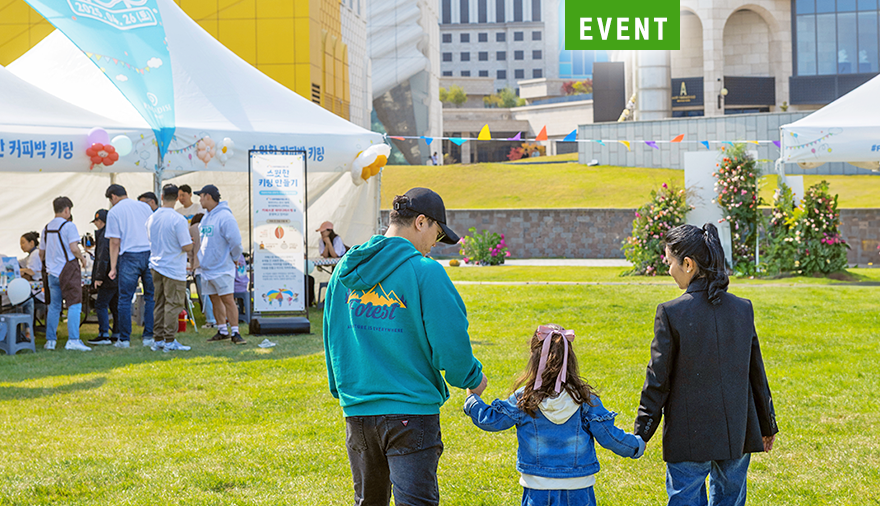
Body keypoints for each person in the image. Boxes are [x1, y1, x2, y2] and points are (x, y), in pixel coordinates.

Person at [323, 187, 487, 506]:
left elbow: (332, 336)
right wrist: (471, 377)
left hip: (358, 409)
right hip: (411, 412)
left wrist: (341, 390)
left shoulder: (344, 269)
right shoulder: (426, 272)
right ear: (421, 222)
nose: (434, 244)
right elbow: (450, 342)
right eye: (437, 234)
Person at [634, 223, 778, 506]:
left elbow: (658, 380)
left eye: (669, 262)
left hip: (688, 436)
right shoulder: (742, 308)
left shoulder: (671, 313)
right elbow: (757, 375)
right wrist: (767, 424)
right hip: (736, 432)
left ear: (688, 264)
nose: (669, 269)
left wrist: (642, 431)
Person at [464, 324, 645, 505]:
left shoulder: (524, 398)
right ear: (570, 358)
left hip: (537, 489)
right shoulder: (584, 399)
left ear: (534, 357)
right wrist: (636, 445)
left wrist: (473, 398)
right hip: (578, 488)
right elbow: (610, 436)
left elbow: (491, 420)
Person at [105, 184, 155, 349]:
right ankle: (149, 336)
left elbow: (114, 242)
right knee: (150, 297)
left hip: (129, 256)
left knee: (125, 299)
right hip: (148, 253)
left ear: (113, 196)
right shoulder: (144, 207)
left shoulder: (114, 212)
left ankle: (124, 339)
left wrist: (113, 267)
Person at [146, 184, 194, 352]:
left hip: (156, 265)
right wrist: (192, 243)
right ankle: (169, 340)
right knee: (173, 304)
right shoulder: (178, 219)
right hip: (173, 267)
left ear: (162, 196)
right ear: (177, 198)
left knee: (159, 303)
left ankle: (158, 339)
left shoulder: (152, 218)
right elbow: (186, 246)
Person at [196, 184, 246, 344]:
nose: (200, 200)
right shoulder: (206, 217)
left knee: (228, 299)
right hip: (207, 268)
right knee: (214, 299)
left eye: (201, 196)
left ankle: (236, 332)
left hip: (222, 267)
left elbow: (235, 241)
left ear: (208, 196)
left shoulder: (225, 216)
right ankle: (222, 330)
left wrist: (235, 257)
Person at [39, 197, 90, 351]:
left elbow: (41, 253)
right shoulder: (69, 226)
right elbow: (74, 248)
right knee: (74, 304)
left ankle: (50, 341)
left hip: (52, 273)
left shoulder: (46, 228)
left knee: (54, 306)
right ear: (67, 210)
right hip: (68, 270)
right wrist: (82, 258)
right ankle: (73, 339)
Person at [86, 209, 120, 346]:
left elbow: (102, 257)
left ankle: (103, 334)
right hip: (117, 275)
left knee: (100, 304)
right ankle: (117, 333)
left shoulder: (104, 235)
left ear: (101, 221)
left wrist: (98, 277)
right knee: (115, 305)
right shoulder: (114, 233)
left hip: (107, 276)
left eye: (96, 222)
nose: (95, 225)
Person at [189, 213, 216, 329]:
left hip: (199, 266)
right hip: (214, 265)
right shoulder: (212, 225)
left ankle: (211, 319)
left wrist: (192, 264)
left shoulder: (192, 229)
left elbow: (190, 250)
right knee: (218, 294)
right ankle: (222, 319)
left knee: (205, 295)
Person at [18, 231, 43, 338]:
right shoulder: (32, 255)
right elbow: (21, 263)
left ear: (31, 243)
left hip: (38, 290)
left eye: (23, 242)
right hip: (36, 288)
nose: (21, 246)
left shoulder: (35, 254)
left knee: (23, 300)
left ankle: (26, 330)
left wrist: (21, 270)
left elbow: (32, 271)